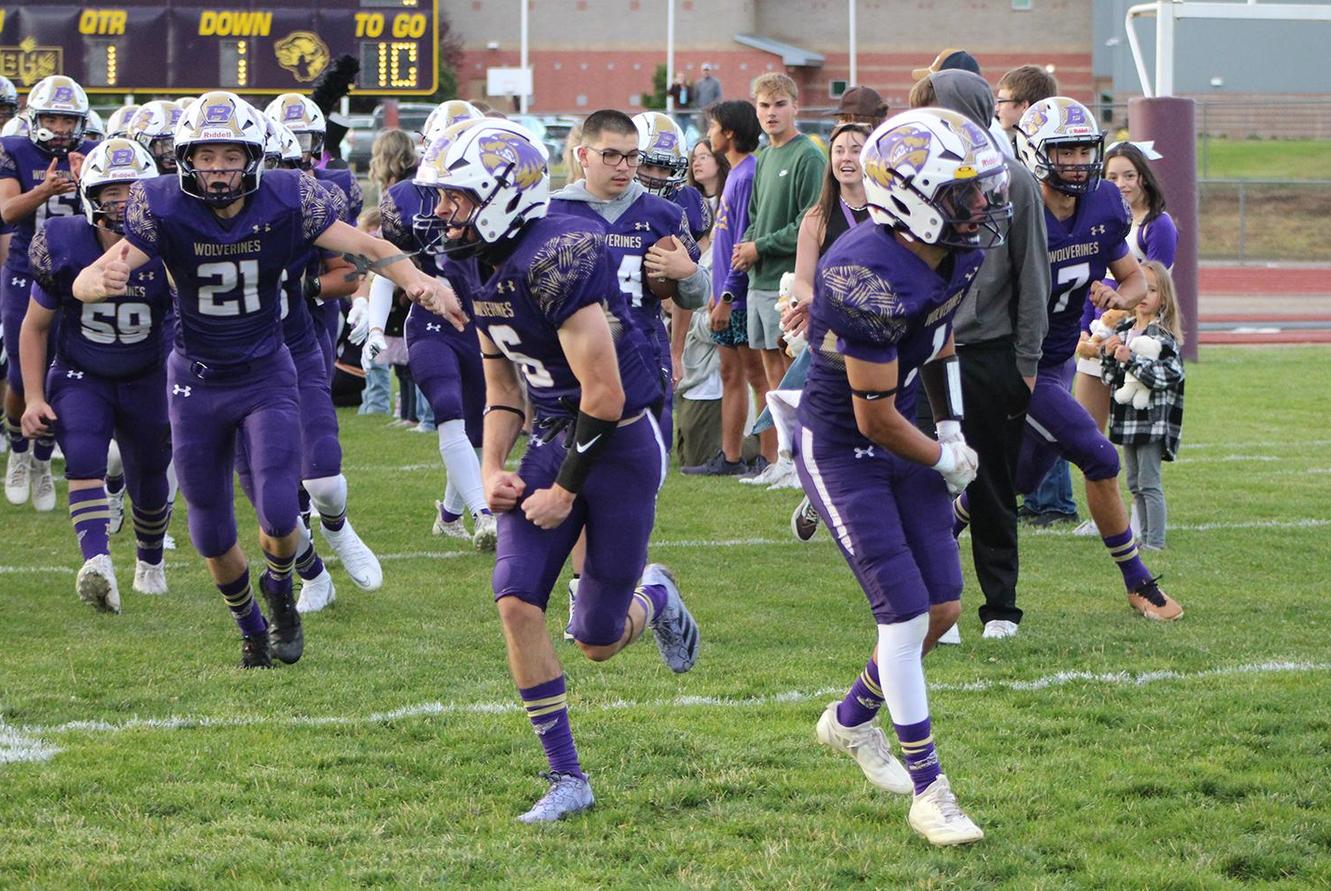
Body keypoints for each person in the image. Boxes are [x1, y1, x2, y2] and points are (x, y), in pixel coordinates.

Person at [72, 91, 463, 667]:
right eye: (206, 157)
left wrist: (419, 283)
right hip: (196, 380)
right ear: (186, 158)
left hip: (266, 372)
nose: (218, 170)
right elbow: (97, 273)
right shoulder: (159, 205)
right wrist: (91, 285)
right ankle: (250, 625)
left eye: (231, 156)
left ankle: (279, 591)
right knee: (209, 530)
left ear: (254, 157)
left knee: (280, 512)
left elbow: (368, 246)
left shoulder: (288, 197)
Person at [418, 118, 701, 822]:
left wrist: (560, 490)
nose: (442, 212)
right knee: (515, 598)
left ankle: (655, 594)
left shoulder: (559, 254)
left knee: (599, 640)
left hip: (619, 442)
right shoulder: (471, 258)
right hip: (552, 430)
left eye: (456, 197)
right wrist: (490, 468)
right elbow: (502, 379)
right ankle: (567, 776)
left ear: (500, 196)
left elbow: (603, 397)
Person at [797, 108, 1010, 846]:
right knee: (903, 615)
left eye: (980, 189)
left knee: (943, 608)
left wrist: (948, 425)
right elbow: (872, 421)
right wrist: (940, 454)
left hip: (906, 424)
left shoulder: (954, 249)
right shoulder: (862, 271)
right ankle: (931, 790)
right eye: (962, 193)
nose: (979, 206)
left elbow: (939, 341)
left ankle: (851, 720)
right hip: (843, 444)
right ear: (910, 196)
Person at [956, 96, 1183, 622]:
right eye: (1066, 151)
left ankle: (938, 532)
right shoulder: (1011, 207)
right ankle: (1138, 583)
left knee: (1015, 479)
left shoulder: (1104, 203)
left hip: (1058, 360)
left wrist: (1118, 298)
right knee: (1100, 459)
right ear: (1036, 154)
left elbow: (1132, 276)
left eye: (1085, 149)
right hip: (1015, 363)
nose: (1079, 161)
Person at [910, 70, 1050, 642]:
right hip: (925, 356)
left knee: (990, 482)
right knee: (923, 479)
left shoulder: (1012, 179)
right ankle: (936, 604)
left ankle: (1001, 607)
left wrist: (1026, 361)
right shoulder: (914, 173)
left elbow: (1031, 276)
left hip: (988, 353)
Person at [18, 139, 173, 611]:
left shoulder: (171, 243)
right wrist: (31, 397)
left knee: (149, 477)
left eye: (133, 190)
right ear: (91, 196)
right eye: (112, 191)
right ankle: (97, 562)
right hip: (83, 370)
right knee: (84, 454)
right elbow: (34, 325)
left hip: (148, 371)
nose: (123, 201)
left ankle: (149, 560)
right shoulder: (64, 242)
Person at [360, 101, 497, 550]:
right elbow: (389, 266)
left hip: (482, 323)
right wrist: (377, 329)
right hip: (431, 323)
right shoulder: (405, 198)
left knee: (477, 428)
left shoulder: (497, 195)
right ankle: (485, 515)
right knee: (448, 412)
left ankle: (451, 513)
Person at [2, 75, 96, 511]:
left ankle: (42, 459)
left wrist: (86, 187)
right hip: (24, 270)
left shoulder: (94, 154)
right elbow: (6, 212)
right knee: (22, 373)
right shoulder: (14, 150)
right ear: (36, 118)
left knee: (62, 369)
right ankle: (18, 448)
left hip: (73, 274)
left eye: (68, 119)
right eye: (53, 118)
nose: (60, 127)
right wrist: (45, 189)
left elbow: (111, 216)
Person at [732, 73, 826, 477]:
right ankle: (779, 459)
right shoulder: (764, 156)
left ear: (795, 106)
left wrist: (760, 246)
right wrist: (746, 246)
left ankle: (802, 462)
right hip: (758, 281)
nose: (771, 113)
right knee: (769, 375)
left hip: (789, 282)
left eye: (779, 104)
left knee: (792, 377)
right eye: (764, 106)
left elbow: (810, 224)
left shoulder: (808, 156)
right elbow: (754, 215)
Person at [779, 121, 872, 507]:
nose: (846, 158)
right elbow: (802, 281)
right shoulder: (817, 216)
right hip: (833, 336)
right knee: (836, 419)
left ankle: (855, 490)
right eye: (839, 151)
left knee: (873, 418)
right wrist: (822, 307)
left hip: (883, 332)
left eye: (855, 149)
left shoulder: (892, 211)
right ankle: (823, 487)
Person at [683, 100, 768, 476]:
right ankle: (730, 457)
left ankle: (769, 457)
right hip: (726, 295)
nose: (710, 133)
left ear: (729, 132)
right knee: (732, 374)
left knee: (757, 378)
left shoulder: (748, 174)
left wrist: (728, 296)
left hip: (741, 297)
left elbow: (743, 241)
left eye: (714, 126)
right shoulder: (734, 173)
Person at [1073, 141, 1177, 436]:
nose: (1121, 184)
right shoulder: (1101, 221)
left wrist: (1122, 335)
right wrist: (1084, 328)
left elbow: (1156, 289)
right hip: (1097, 335)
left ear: (1143, 177)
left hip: (1135, 342)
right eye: (1112, 177)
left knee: (1134, 435)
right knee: (1083, 430)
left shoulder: (1157, 225)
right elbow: (1087, 282)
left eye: (1129, 176)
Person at [1100, 260, 1185, 551]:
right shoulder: (1124, 329)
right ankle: (1144, 536)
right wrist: (1109, 355)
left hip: (1152, 422)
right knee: (1134, 483)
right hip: (1127, 419)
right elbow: (1110, 377)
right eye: (1142, 289)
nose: (1146, 296)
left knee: (1149, 483)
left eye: (1153, 290)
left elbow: (1171, 375)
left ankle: (1155, 541)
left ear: (1164, 297)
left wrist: (1131, 359)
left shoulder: (1162, 336)